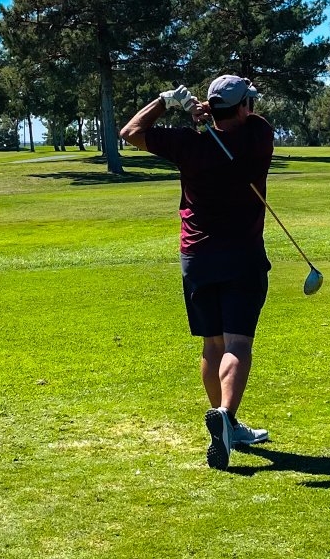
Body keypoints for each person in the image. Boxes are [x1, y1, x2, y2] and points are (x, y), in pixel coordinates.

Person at [120, 74, 274, 470]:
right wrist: (216, 115)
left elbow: (131, 131)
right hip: (242, 256)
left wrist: (166, 101)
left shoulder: (188, 144)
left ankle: (225, 421)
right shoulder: (259, 137)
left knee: (212, 344)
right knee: (238, 344)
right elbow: (251, 119)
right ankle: (225, 416)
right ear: (242, 108)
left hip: (197, 257)